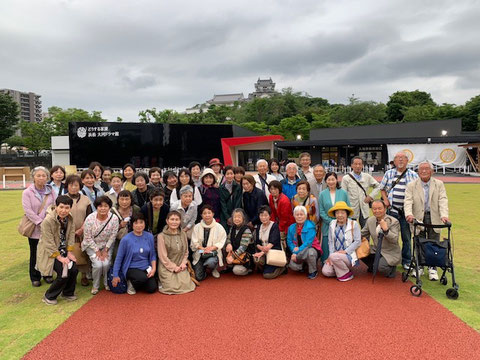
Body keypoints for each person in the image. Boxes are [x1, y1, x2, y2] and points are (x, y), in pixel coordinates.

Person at [404, 160, 449, 280]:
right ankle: (419, 267)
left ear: (432, 171)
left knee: (434, 242)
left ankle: (432, 268)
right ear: (418, 172)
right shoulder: (411, 185)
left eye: (426, 169)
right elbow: (408, 201)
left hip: (434, 216)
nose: (424, 171)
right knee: (419, 241)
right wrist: (409, 214)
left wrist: (444, 215)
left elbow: (443, 200)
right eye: (421, 169)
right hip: (418, 217)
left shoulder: (439, 184)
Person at [380, 151, 418, 270]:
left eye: (403, 158)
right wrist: (385, 199)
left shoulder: (413, 175)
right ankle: (392, 258)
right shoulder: (389, 173)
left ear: (407, 161)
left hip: (407, 212)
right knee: (391, 237)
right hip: (393, 211)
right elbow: (382, 188)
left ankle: (406, 260)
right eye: (398, 158)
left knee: (406, 237)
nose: (400, 160)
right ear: (394, 161)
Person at [37, 195, 78, 305]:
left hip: (64, 249)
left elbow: (71, 234)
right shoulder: (48, 221)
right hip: (51, 252)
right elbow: (48, 242)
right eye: (61, 207)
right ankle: (49, 295)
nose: (64, 210)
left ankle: (68, 293)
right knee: (63, 273)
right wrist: (60, 257)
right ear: (56, 206)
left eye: (67, 208)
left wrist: (70, 252)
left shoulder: (70, 217)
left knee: (73, 269)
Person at [22, 166, 57, 286]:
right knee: (35, 252)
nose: (41, 178)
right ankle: (35, 276)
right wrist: (40, 223)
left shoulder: (51, 190)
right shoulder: (27, 192)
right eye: (38, 175)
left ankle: (47, 274)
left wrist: (48, 222)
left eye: (44, 175)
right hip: (35, 228)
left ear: (47, 177)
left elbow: (55, 206)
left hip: (49, 227)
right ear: (33, 177)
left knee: (48, 251)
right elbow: (28, 210)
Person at [112, 213, 157, 295]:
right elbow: (119, 258)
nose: (139, 225)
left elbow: (153, 254)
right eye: (136, 223)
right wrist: (115, 275)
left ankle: (138, 283)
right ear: (132, 225)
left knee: (152, 288)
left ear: (145, 223)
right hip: (131, 268)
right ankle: (131, 282)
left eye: (141, 222)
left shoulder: (149, 236)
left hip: (146, 268)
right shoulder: (126, 239)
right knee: (142, 278)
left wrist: (153, 269)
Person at [82, 196, 119, 294]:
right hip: (91, 245)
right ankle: (95, 285)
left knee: (106, 263)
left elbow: (113, 235)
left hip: (107, 245)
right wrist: (97, 251)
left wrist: (105, 250)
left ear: (109, 207)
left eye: (106, 206)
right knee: (98, 265)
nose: (103, 208)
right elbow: (87, 237)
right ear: (96, 207)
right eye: (100, 206)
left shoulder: (114, 218)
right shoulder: (90, 218)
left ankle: (107, 283)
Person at [157, 211, 196, 294]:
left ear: (180, 221)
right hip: (167, 266)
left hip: (180, 264)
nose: (174, 222)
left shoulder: (183, 234)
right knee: (172, 287)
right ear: (167, 221)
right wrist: (174, 267)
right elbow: (162, 256)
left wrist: (183, 263)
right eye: (172, 219)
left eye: (177, 219)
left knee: (186, 285)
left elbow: (186, 251)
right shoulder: (161, 236)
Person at [64, 174, 93, 287]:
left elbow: (89, 216)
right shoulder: (63, 199)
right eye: (71, 185)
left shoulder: (86, 199)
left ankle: (84, 276)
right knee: (68, 253)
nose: (74, 187)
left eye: (76, 185)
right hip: (67, 232)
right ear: (67, 186)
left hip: (82, 232)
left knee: (83, 254)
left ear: (80, 186)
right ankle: (69, 276)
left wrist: (82, 229)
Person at [322, 201, 361, 281]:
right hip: (335, 255)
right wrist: (331, 256)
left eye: (342, 213)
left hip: (348, 255)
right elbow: (331, 241)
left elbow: (357, 241)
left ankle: (346, 275)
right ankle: (343, 271)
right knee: (326, 272)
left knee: (334, 257)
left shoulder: (354, 224)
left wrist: (346, 251)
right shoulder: (332, 224)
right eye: (337, 213)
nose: (340, 215)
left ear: (347, 214)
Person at [361, 200, 401, 278]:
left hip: (390, 252)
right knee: (359, 248)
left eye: (379, 208)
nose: (377, 211)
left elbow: (395, 239)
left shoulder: (393, 221)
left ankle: (391, 269)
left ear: (385, 209)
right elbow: (362, 233)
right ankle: (373, 266)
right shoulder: (370, 220)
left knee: (382, 268)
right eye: (374, 209)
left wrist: (386, 230)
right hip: (376, 250)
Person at [318, 172, 351, 263]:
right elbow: (321, 211)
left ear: (336, 180)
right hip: (327, 225)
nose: (331, 182)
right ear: (326, 181)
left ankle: (342, 264)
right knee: (327, 246)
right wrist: (331, 221)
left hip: (342, 224)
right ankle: (326, 262)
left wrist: (340, 221)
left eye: (333, 179)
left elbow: (348, 207)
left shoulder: (343, 193)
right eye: (329, 179)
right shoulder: (322, 194)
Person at [341, 156, 380, 228]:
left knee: (365, 230)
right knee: (351, 230)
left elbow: (378, 186)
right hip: (351, 208)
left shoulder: (367, 177)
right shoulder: (346, 178)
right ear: (352, 165)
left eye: (360, 164)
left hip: (364, 206)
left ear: (362, 165)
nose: (358, 166)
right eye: (355, 164)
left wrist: (371, 196)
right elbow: (343, 194)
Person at [191, 205, 227, 281]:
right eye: (204, 213)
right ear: (201, 215)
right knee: (198, 277)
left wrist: (211, 248)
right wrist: (202, 249)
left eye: (209, 213)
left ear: (213, 214)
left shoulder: (219, 227)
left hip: (212, 251)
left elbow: (222, 241)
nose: (207, 215)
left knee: (211, 262)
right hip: (200, 251)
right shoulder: (197, 227)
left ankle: (213, 269)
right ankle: (203, 268)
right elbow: (194, 242)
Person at [287, 205, 321, 279]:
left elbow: (308, 243)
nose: (299, 216)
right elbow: (289, 241)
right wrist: (293, 249)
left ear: (305, 216)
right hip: (298, 251)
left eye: (301, 214)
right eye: (297, 214)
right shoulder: (291, 227)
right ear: (294, 216)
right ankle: (303, 265)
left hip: (311, 249)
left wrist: (296, 253)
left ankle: (313, 271)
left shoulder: (310, 226)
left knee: (310, 253)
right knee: (293, 266)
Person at [253, 205, 286, 279]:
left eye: (265, 215)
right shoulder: (258, 227)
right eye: (261, 215)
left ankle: (282, 268)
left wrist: (262, 252)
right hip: (263, 251)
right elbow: (257, 243)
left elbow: (272, 243)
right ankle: (266, 268)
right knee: (256, 260)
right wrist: (260, 248)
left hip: (273, 251)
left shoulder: (274, 226)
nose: (263, 218)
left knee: (267, 275)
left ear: (269, 216)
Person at [111, 190, 141, 260]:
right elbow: (109, 229)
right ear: (118, 200)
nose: (124, 202)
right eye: (122, 199)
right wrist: (120, 226)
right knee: (117, 256)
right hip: (118, 239)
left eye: (127, 199)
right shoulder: (113, 211)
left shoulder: (136, 209)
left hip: (134, 237)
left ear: (131, 200)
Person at [225, 208, 254, 276]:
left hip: (245, 257)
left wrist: (232, 256)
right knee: (225, 247)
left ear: (243, 218)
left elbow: (243, 247)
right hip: (236, 254)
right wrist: (228, 244)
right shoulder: (232, 228)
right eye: (235, 217)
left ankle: (249, 269)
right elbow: (228, 238)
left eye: (239, 217)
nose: (236, 219)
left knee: (236, 271)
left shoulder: (246, 230)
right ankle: (231, 264)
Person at [268, 180, 295, 249]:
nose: (273, 191)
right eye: (271, 189)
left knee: (282, 240)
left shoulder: (284, 200)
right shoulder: (271, 197)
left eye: (275, 189)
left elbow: (285, 218)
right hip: (278, 221)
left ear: (279, 189)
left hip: (287, 223)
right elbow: (272, 212)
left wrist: (278, 229)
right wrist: (272, 224)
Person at [219, 165, 242, 232]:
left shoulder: (238, 187)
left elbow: (238, 202)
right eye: (227, 174)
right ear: (224, 175)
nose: (229, 176)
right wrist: (228, 217)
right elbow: (222, 203)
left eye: (231, 174)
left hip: (236, 214)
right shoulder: (221, 188)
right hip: (224, 216)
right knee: (224, 232)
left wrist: (234, 216)